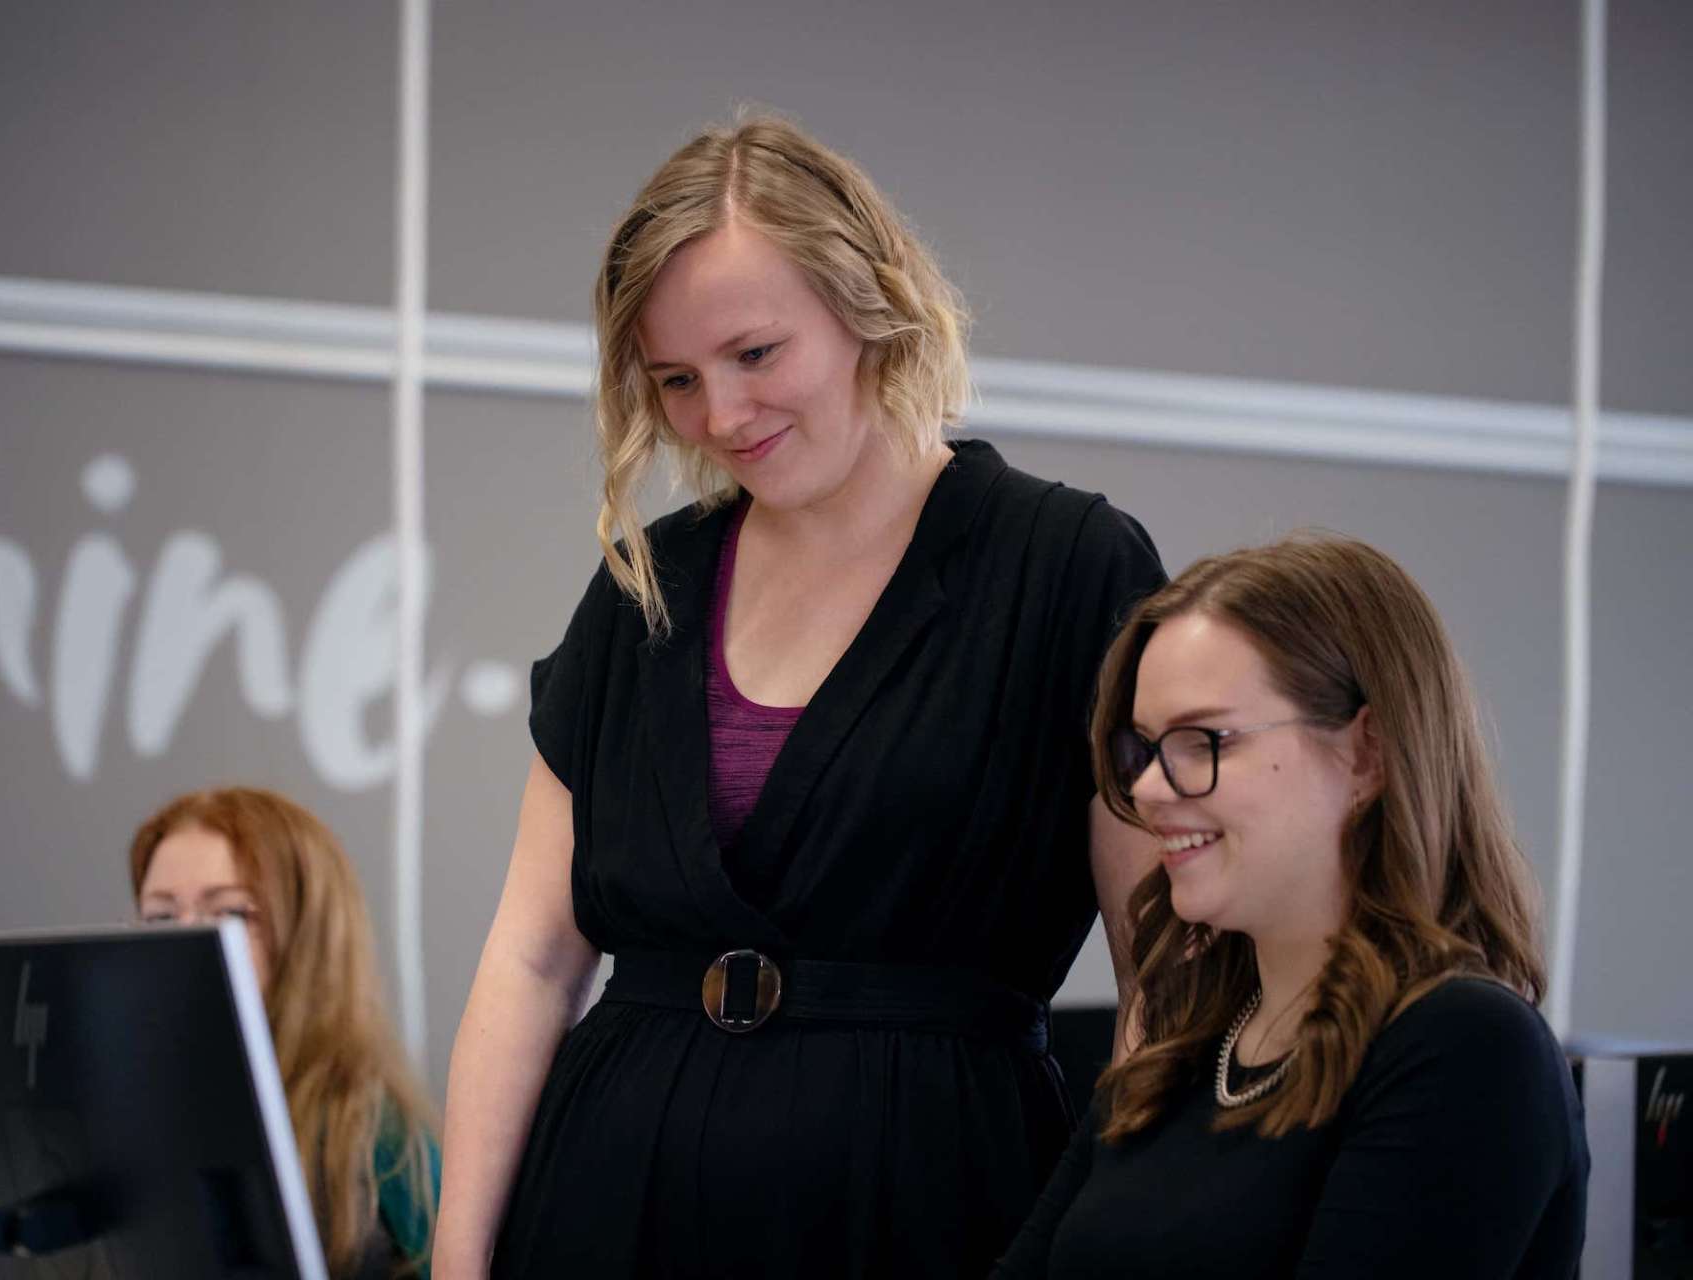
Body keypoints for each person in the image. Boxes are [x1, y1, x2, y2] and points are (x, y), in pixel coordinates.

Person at [433, 115, 1165, 1279]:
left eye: (755, 354)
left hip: (929, 1203)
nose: (721, 417)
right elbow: (529, 959)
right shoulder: (645, 589)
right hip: (607, 1201)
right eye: (675, 379)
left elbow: (1161, 983)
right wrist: (456, 1264)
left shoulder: (1067, 567)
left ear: (868, 302)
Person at [993, 534, 1589, 1278]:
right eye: (1141, 748)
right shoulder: (1179, 1047)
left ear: (1367, 755)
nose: (1146, 790)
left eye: (1202, 740)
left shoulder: (1466, 1047)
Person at [131, 787, 442, 1280]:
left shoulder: (378, 1139)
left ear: (306, 936)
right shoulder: (126, 1112)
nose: (185, 940)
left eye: (232, 913)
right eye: (161, 917)